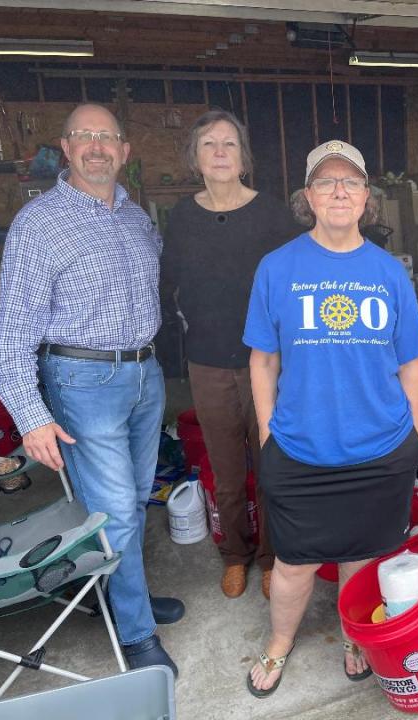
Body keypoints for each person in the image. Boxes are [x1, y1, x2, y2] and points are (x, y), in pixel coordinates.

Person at [0, 103, 182, 676]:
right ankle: (136, 633)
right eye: (85, 136)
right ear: (66, 149)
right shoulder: (38, 225)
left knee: (134, 499)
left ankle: (122, 596)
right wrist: (30, 416)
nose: (97, 146)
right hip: (82, 382)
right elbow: (9, 341)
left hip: (144, 376)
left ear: (124, 151)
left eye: (108, 137)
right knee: (118, 511)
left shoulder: (135, 216)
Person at [243, 140, 418, 697]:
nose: (339, 191)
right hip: (301, 448)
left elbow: (412, 362)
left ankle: (354, 632)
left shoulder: (388, 272)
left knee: (361, 554)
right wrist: (268, 433)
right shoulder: (277, 268)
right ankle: (279, 645)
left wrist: (414, 437)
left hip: (379, 447)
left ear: (367, 198)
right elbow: (263, 360)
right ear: (308, 196)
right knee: (295, 563)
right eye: (326, 182)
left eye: (350, 182)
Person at [161, 110, 298, 600]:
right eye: (209, 144)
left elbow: (292, 284)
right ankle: (235, 556)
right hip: (208, 361)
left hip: (268, 362)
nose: (220, 152)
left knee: (271, 465)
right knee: (225, 472)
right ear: (195, 158)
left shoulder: (273, 214)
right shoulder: (181, 217)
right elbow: (170, 283)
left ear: (244, 157)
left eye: (229, 144)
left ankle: (272, 556)